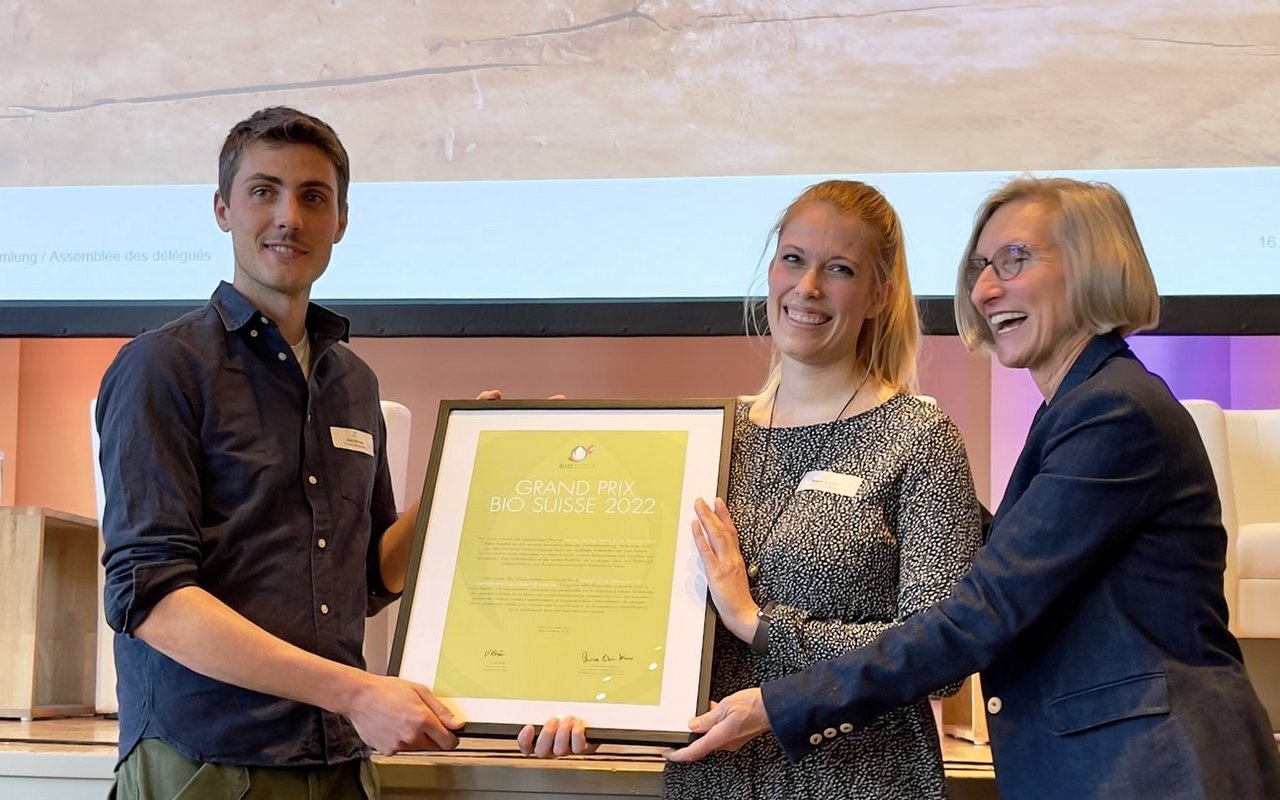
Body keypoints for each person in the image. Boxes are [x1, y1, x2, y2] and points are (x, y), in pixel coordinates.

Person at [666, 176, 1280, 798]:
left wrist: (768, 654)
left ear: (1092, 266)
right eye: (981, 266)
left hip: (1153, 770)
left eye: (1015, 260)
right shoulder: (1075, 408)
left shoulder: (1112, 412)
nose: (985, 289)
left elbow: (980, 611)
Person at [519, 180, 983, 798]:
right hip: (712, 781)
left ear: (878, 294)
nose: (808, 287)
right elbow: (639, 620)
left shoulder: (919, 437)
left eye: (839, 269)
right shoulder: (703, 438)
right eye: (793, 259)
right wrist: (582, 698)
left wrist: (758, 622)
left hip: (859, 781)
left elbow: (940, 658)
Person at [97, 106, 463, 799]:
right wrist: (356, 693)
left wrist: (468, 476)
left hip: (337, 759)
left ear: (341, 221)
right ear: (223, 210)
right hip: (207, 760)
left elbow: (366, 581)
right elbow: (153, 598)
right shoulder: (162, 367)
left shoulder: (353, 382)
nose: (289, 217)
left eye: (313, 197)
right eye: (264, 191)